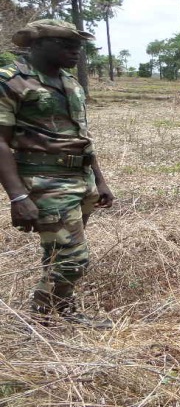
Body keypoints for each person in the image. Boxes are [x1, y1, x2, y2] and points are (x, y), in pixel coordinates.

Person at [0, 19, 115, 327]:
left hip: (81, 179)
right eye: (65, 44)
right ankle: (39, 321)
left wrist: (99, 180)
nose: (75, 50)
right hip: (45, 181)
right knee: (72, 257)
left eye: (78, 45)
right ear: (37, 45)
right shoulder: (11, 80)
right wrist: (19, 196)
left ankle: (63, 311)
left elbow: (82, 135)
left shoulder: (70, 83)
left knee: (59, 252)